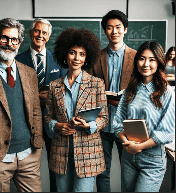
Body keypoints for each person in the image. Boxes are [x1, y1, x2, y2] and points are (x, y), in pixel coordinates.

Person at [44, 27, 108, 192]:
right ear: (65, 54)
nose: (77, 58)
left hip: (88, 153)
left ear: (87, 57)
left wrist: (89, 126)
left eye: (82, 54)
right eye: (73, 52)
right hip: (61, 152)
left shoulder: (96, 84)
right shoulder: (54, 86)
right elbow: (48, 117)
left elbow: (104, 118)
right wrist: (58, 126)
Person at [0, 18, 44, 192]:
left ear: (19, 43)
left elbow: (35, 111)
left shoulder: (29, 73)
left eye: (14, 39)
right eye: (4, 38)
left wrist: (38, 143)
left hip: (29, 155)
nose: (9, 44)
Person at [113, 41, 175, 192]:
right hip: (128, 157)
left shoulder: (167, 93)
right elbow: (117, 123)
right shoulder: (130, 90)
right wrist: (126, 142)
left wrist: (139, 147)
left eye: (152, 59)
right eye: (142, 58)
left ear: (159, 62)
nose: (146, 64)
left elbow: (167, 132)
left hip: (152, 159)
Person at [87, 10, 137, 192]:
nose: (114, 31)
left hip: (127, 125)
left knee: (130, 171)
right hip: (102, 124)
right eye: (109, 28)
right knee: (102, 172)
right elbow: (88, 88)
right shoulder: (95, 57)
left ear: (125, 30)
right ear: (105, 31)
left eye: (118, 27)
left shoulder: (137, 57)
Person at [16, 18, 66, 192]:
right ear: (30, 33)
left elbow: (65, 88)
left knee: (55, 166)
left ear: (49, 36)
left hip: (53, 121)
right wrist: (34, 97)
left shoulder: (59, 60)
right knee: (28, 168)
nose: (40, 35)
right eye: (37, 31)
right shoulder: (17, 60)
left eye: (44, 33)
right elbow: (13, 92)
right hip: (27, 122)